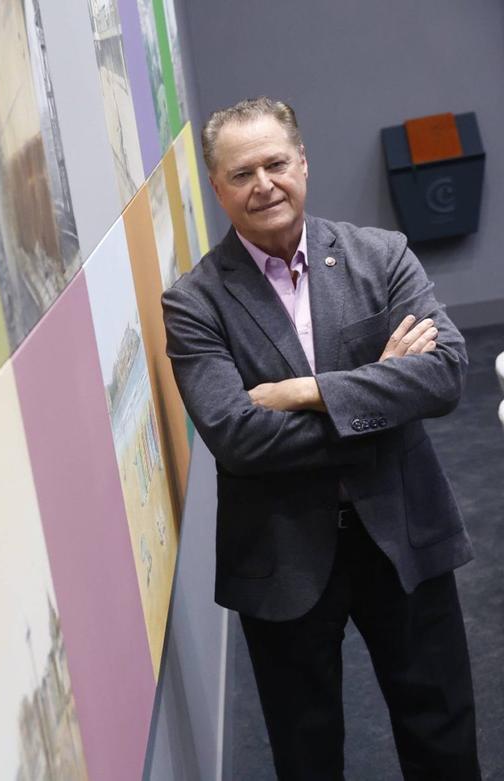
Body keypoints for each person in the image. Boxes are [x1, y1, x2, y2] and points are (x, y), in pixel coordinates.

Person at [161, 97, 480, 779]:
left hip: (403, 529)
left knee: (443, 736)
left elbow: (448, 374)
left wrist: (308, 392)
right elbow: (237, 435)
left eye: (276, 163)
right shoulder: (193, 303)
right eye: (241, 173)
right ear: (216, 187)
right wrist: (381, 398)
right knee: (306, 756)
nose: (263, 184)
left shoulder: (380, 255)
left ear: (303, 163)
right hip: (281, 555)